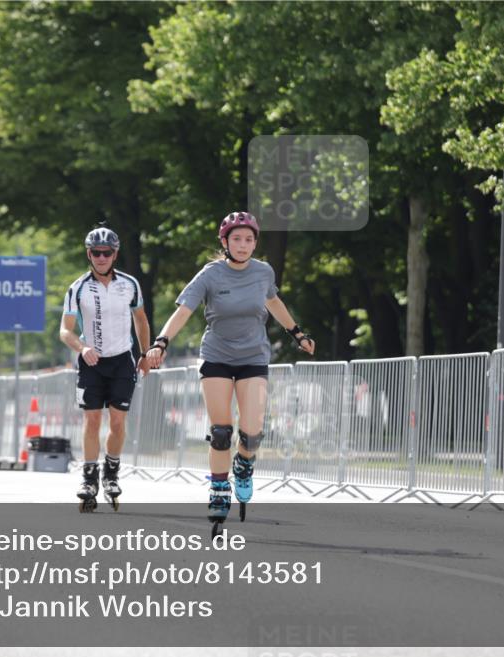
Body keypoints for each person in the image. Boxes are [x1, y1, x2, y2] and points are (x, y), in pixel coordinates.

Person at [145, 211, 315, 526]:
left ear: (255, 243)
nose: (243, 244)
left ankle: (244, 465)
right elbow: (183, 312)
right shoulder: (210, 275)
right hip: (217, 355)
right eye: (236, 239)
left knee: (251, 434)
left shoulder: (263, 272)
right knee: (221, 432)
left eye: (249, 239)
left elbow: (273, 302)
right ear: (225, 242)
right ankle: (219, 487)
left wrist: (297, 333)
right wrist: (161, 342)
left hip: (253, 357)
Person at [59, 224, 151, 511]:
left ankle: (111, 472)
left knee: (118, 422)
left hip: (122, 359)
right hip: (92, 362)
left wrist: (145, 353)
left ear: (115, 255)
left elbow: (141, 320)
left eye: (106, 253)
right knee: (92, 421)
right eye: (96, 253)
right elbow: (65, 330)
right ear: (89, 254)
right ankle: (88, 478)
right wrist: (82, 348)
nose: (101, 257)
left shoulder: (130, 284)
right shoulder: (78, 288)